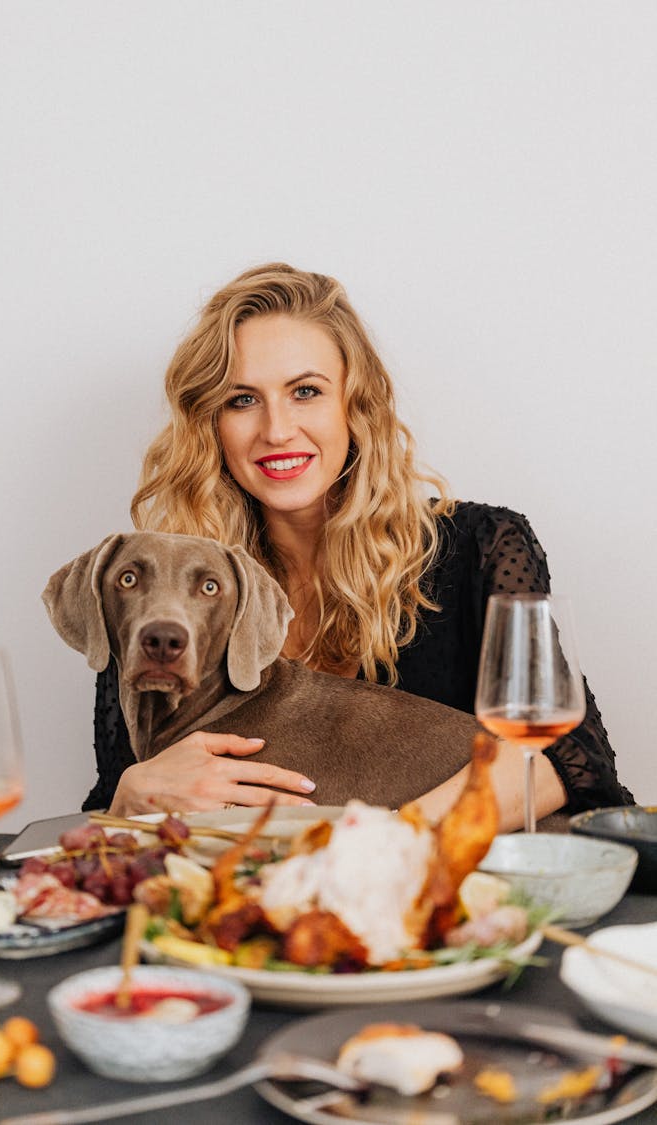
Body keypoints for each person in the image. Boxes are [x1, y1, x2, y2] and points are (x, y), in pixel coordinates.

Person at [85, 263, 633, 828]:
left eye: (306, 391)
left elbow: (568, 759)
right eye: (242, 400)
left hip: (462, 893)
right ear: (210, 423)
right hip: (242, 900)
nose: (277, 430)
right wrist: (130, 796)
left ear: (356, 404)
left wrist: (383, 843)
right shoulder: (161, 599)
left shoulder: (479, 547)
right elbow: (109, 815)